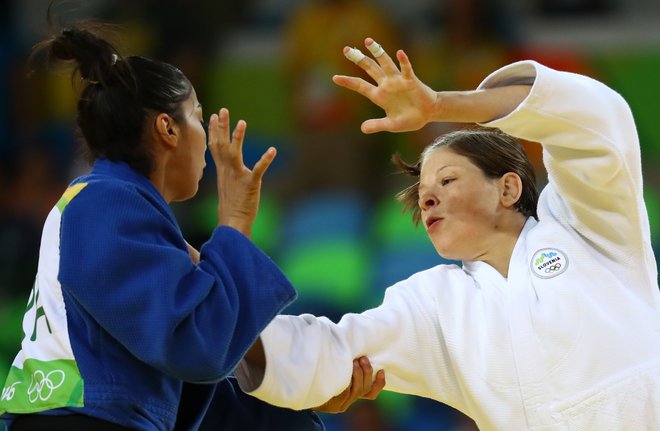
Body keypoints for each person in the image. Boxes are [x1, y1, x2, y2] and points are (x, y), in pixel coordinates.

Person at [235, 38, 660, 429]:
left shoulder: (587, 229)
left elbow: (595, 118)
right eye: (421, 194)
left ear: (508, 187)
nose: (427, 199)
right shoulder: (432, 305)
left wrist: (440, 106)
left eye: (448, 180)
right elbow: (321, 349)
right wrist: (193, 274)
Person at [0, 20, 381, 431]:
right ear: (167, 129)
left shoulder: (115, 209)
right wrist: (233, 224)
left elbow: (203, 377)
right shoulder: (105, 203)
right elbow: (198, 347)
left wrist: (306, 394)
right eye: (198, 117)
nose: (206, 138)